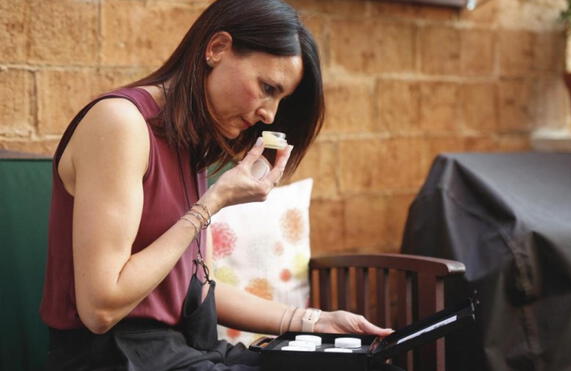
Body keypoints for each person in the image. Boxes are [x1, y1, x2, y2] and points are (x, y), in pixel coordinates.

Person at [39, 0, 393, 370]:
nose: (269, 115)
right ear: (217, 48)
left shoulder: (187, 141)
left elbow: (195, 291)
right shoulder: (121, 124)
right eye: (267, 87)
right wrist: (212, 203)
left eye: (279, 98)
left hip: (185, 348)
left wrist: (314, 322)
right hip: (115, 357)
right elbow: (100, 308)